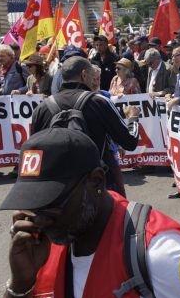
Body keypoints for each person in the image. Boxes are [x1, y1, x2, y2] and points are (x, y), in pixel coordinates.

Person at [0, 127, 180, 298]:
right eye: (32, 206)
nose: (40, 220)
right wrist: (20, 283)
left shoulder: (161, 252)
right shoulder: (42, 245)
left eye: (51, 204)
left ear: (96, 182)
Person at [30, 57, 140, 197]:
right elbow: (130, 141)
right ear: (84, 74)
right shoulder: (99, 102)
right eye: (92, 76)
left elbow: (33, 153)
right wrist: (133, 117)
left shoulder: (42, 108)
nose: (94, 80)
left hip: (57, 192)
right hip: (97, 189)